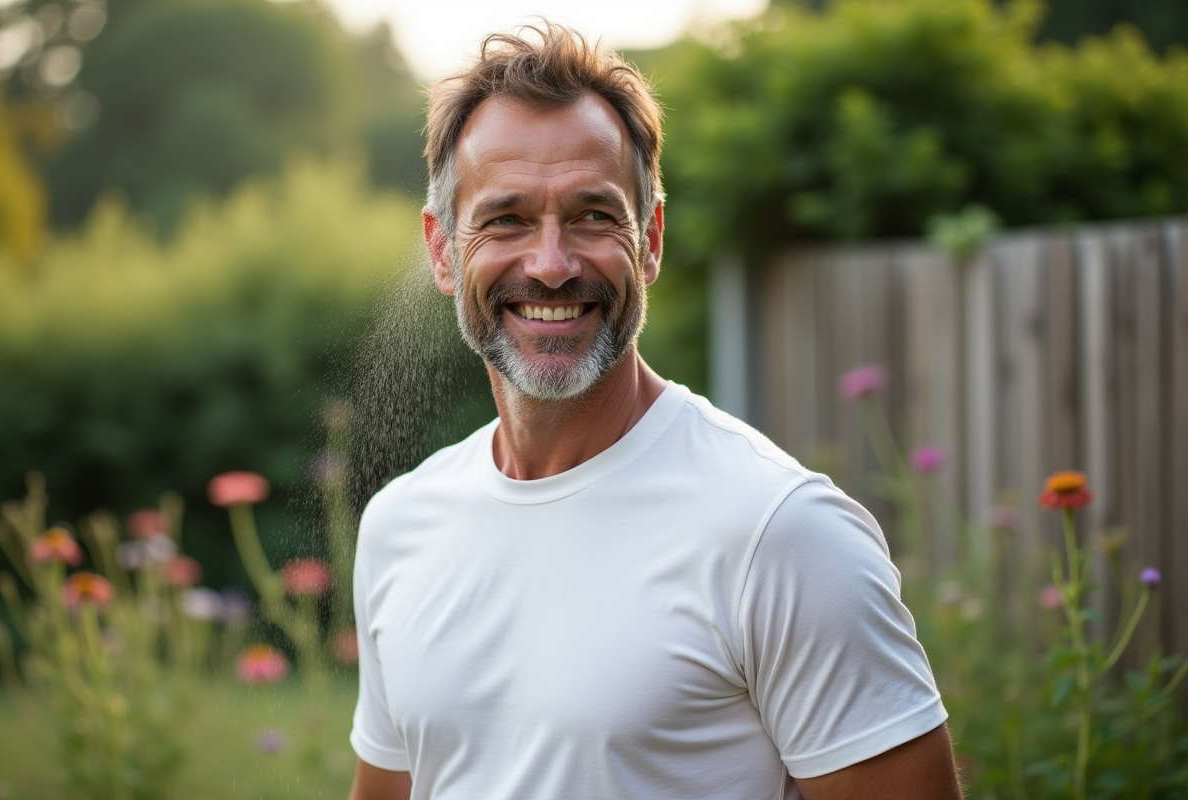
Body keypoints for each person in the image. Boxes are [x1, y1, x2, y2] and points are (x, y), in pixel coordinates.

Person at [349, 23, 962, 800]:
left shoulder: (780, 534)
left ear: (651, 241)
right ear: (442, 250)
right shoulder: (401, 524)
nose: (550, 264)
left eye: (593, 216)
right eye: (505, 219)